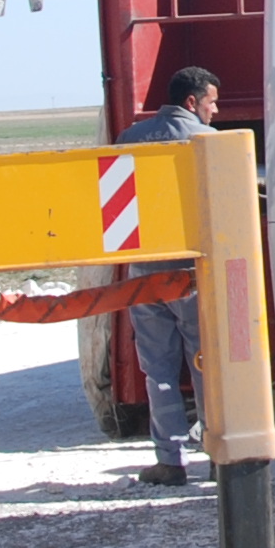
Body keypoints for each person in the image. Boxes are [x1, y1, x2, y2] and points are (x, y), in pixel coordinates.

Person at [119, 66, 219, 484]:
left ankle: (170, 460)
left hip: (145, 273)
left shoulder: (128, 141)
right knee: (208, 365)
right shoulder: (211, 145)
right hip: (196, 274)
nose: (217, 110)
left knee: (157, 370)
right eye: (213, 101)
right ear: (192, 102)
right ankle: (220, 455)